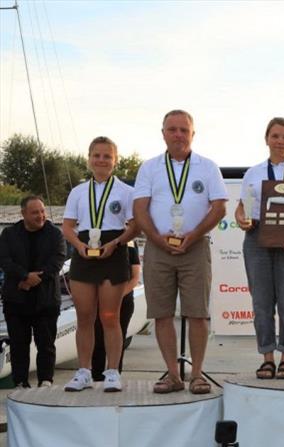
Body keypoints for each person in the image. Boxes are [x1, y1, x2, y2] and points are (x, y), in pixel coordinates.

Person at [133, 110, 227, 394]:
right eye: (172, 129)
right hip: (157, 249)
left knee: (197, 313)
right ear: (162, 133)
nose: (178, 135)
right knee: (162, 314)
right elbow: (139, 209)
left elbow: (220, 207)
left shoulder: (207, 167)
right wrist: (158, 239)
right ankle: (173, 375)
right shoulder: (149, 168)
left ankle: (196, 374)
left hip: (195, 248)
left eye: (184, 130)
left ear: (193, 134)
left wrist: (193, 235)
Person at [234, 117, 284, 380]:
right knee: (261, 302)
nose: (280, 141)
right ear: (266, 139)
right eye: (275, 136)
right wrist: (240, 218)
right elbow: (242, 207)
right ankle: (267, 357)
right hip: (258, 237)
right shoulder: (254, 173)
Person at [62, 136, 138, 392]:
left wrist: (116, 243)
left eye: (107, 156)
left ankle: (113, 372)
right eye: (97, 155)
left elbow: (134, 226)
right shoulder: (78, 191)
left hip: (112, 250)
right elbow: (68, 226)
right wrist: (79, 246)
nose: (101, 160)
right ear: (89, 158)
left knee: (110, 317)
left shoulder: (127, 192)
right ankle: (83, 372)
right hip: (84, 252)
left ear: (115, 161)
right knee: (84, 317)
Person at [0, 196, 66, 388]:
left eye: (42, 211)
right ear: (23, 214)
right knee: (19, 345)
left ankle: (46, 381)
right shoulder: (9, 234)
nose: (41, 216)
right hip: (16, 300)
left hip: (46, 300)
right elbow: (4, 260)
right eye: (35, 212)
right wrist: (24, 276)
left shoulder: (55, 234)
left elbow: (57, 260)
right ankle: (20, 382)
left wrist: (34, 280)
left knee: (46, 344)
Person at [91, 242, 141, 382]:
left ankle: (114, 373)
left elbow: (135, 277)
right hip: (99, 299)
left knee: (119, 335)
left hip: (123, 300)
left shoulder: (129, 245)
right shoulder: (95, 242)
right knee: (98, 337)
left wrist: (117, 296)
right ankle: (97, 376)